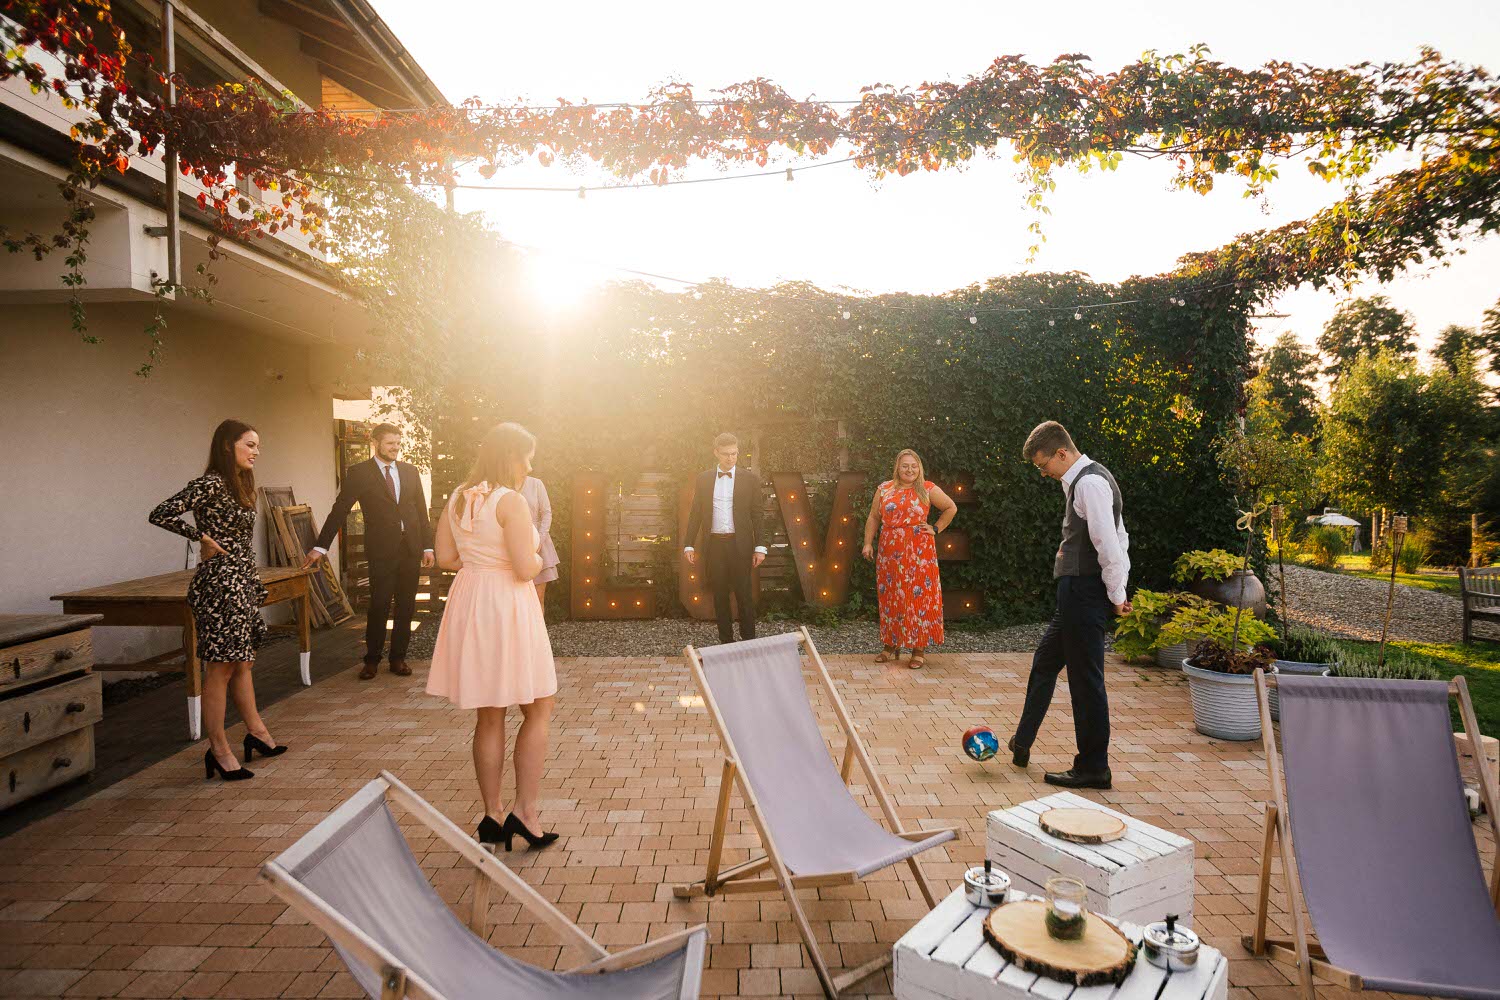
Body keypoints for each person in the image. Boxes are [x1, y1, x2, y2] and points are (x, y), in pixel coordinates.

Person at [426, 422, 560, 852]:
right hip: (508, 603)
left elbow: (446, 557)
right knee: (539, 705)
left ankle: (492, 814)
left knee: (489, 714)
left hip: (472, 601)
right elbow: (525, 568)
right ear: (511, 456)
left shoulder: (457, 497)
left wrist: (481, 561)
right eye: (527, 457)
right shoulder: (511, 501)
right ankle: (526, 813)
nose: (530, 466)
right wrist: (534, 554)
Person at [149, 419, 287, 782]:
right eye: (250, 445)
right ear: (228, 445)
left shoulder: (239, 484)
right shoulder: (209, 483)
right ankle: (219, 750)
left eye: (258, 446)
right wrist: (201, 538)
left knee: (243, 662)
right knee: (221, 668)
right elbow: (161, 512)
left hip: (242, 581)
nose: (256, 452)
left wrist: (251, 582)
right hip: (219, 585)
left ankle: (257, 733)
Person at [1010, 421, 1131, 790]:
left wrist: (1117, 595)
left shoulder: (1090, 483)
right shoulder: (1081, 480)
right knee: (1045, 662)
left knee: (1086, 681)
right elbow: (1121, 535)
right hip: (1074, 592)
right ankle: (1022, 741)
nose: (1043, 472)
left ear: (1061, 453)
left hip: (1084, 591)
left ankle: (1094, 767)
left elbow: (1110, 544)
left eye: (1043, 464)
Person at [305, 423, 434, 680]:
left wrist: (428, 546)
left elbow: (421, 512)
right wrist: (321, 546)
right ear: (375, 442)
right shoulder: (359, 473)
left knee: (406, 606)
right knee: (379, 604)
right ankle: (372, 659)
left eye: (398, 443)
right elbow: (340, 509)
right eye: (390, 443)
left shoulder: (410, 472)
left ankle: (398, 658)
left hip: (410, 549)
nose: (395, 448)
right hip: (381, 550)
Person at [862, 449, 957, 669]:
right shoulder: (884, 489)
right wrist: (867, 542)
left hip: (919, 554)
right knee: (891, 596)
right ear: (897, 467)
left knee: (918, 598)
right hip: (889, 552)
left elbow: (951, 507)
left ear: (919, 468)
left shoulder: (927, 488)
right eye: (905, 465)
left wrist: (936, 528)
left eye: (914, 466)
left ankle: (918, 649)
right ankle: (890, 644)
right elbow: (874, 516)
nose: (910, 470)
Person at [683, 432, 767, 644]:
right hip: (715, 545)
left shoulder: (750, 479)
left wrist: (760, 547)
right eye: (726, 454)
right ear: (716, 453)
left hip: (740, 545)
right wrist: (688, 544)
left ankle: (749, 642)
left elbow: (758, 514)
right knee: (719, 595)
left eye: (734, 453)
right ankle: (726, 643)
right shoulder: (703, 479)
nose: (731, 458)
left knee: (744, 595)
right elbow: (696, 513)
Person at [519, 475, 559, 613]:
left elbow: (547, 513)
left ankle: (538, 628)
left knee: (538, 597)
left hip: (538, 544)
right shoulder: (503, 484)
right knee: (517, 599)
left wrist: (539, 540)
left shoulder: (536, 484)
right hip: (513, 542)